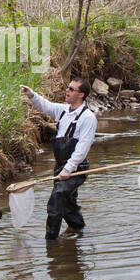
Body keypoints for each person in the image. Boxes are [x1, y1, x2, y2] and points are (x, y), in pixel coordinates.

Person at [20, 79, 98, 240]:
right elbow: (46, 106)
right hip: (60, 166)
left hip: (77, 168)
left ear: (81, 94)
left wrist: (68, 169)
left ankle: (51, 242)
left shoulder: (88, 118)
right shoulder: (63, 110)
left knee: (56, 200)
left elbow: (82, 149)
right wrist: (31, 95)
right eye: (67, 87)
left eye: (71, 88)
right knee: (68, 206)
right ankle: (80, 231)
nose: (66, 90)